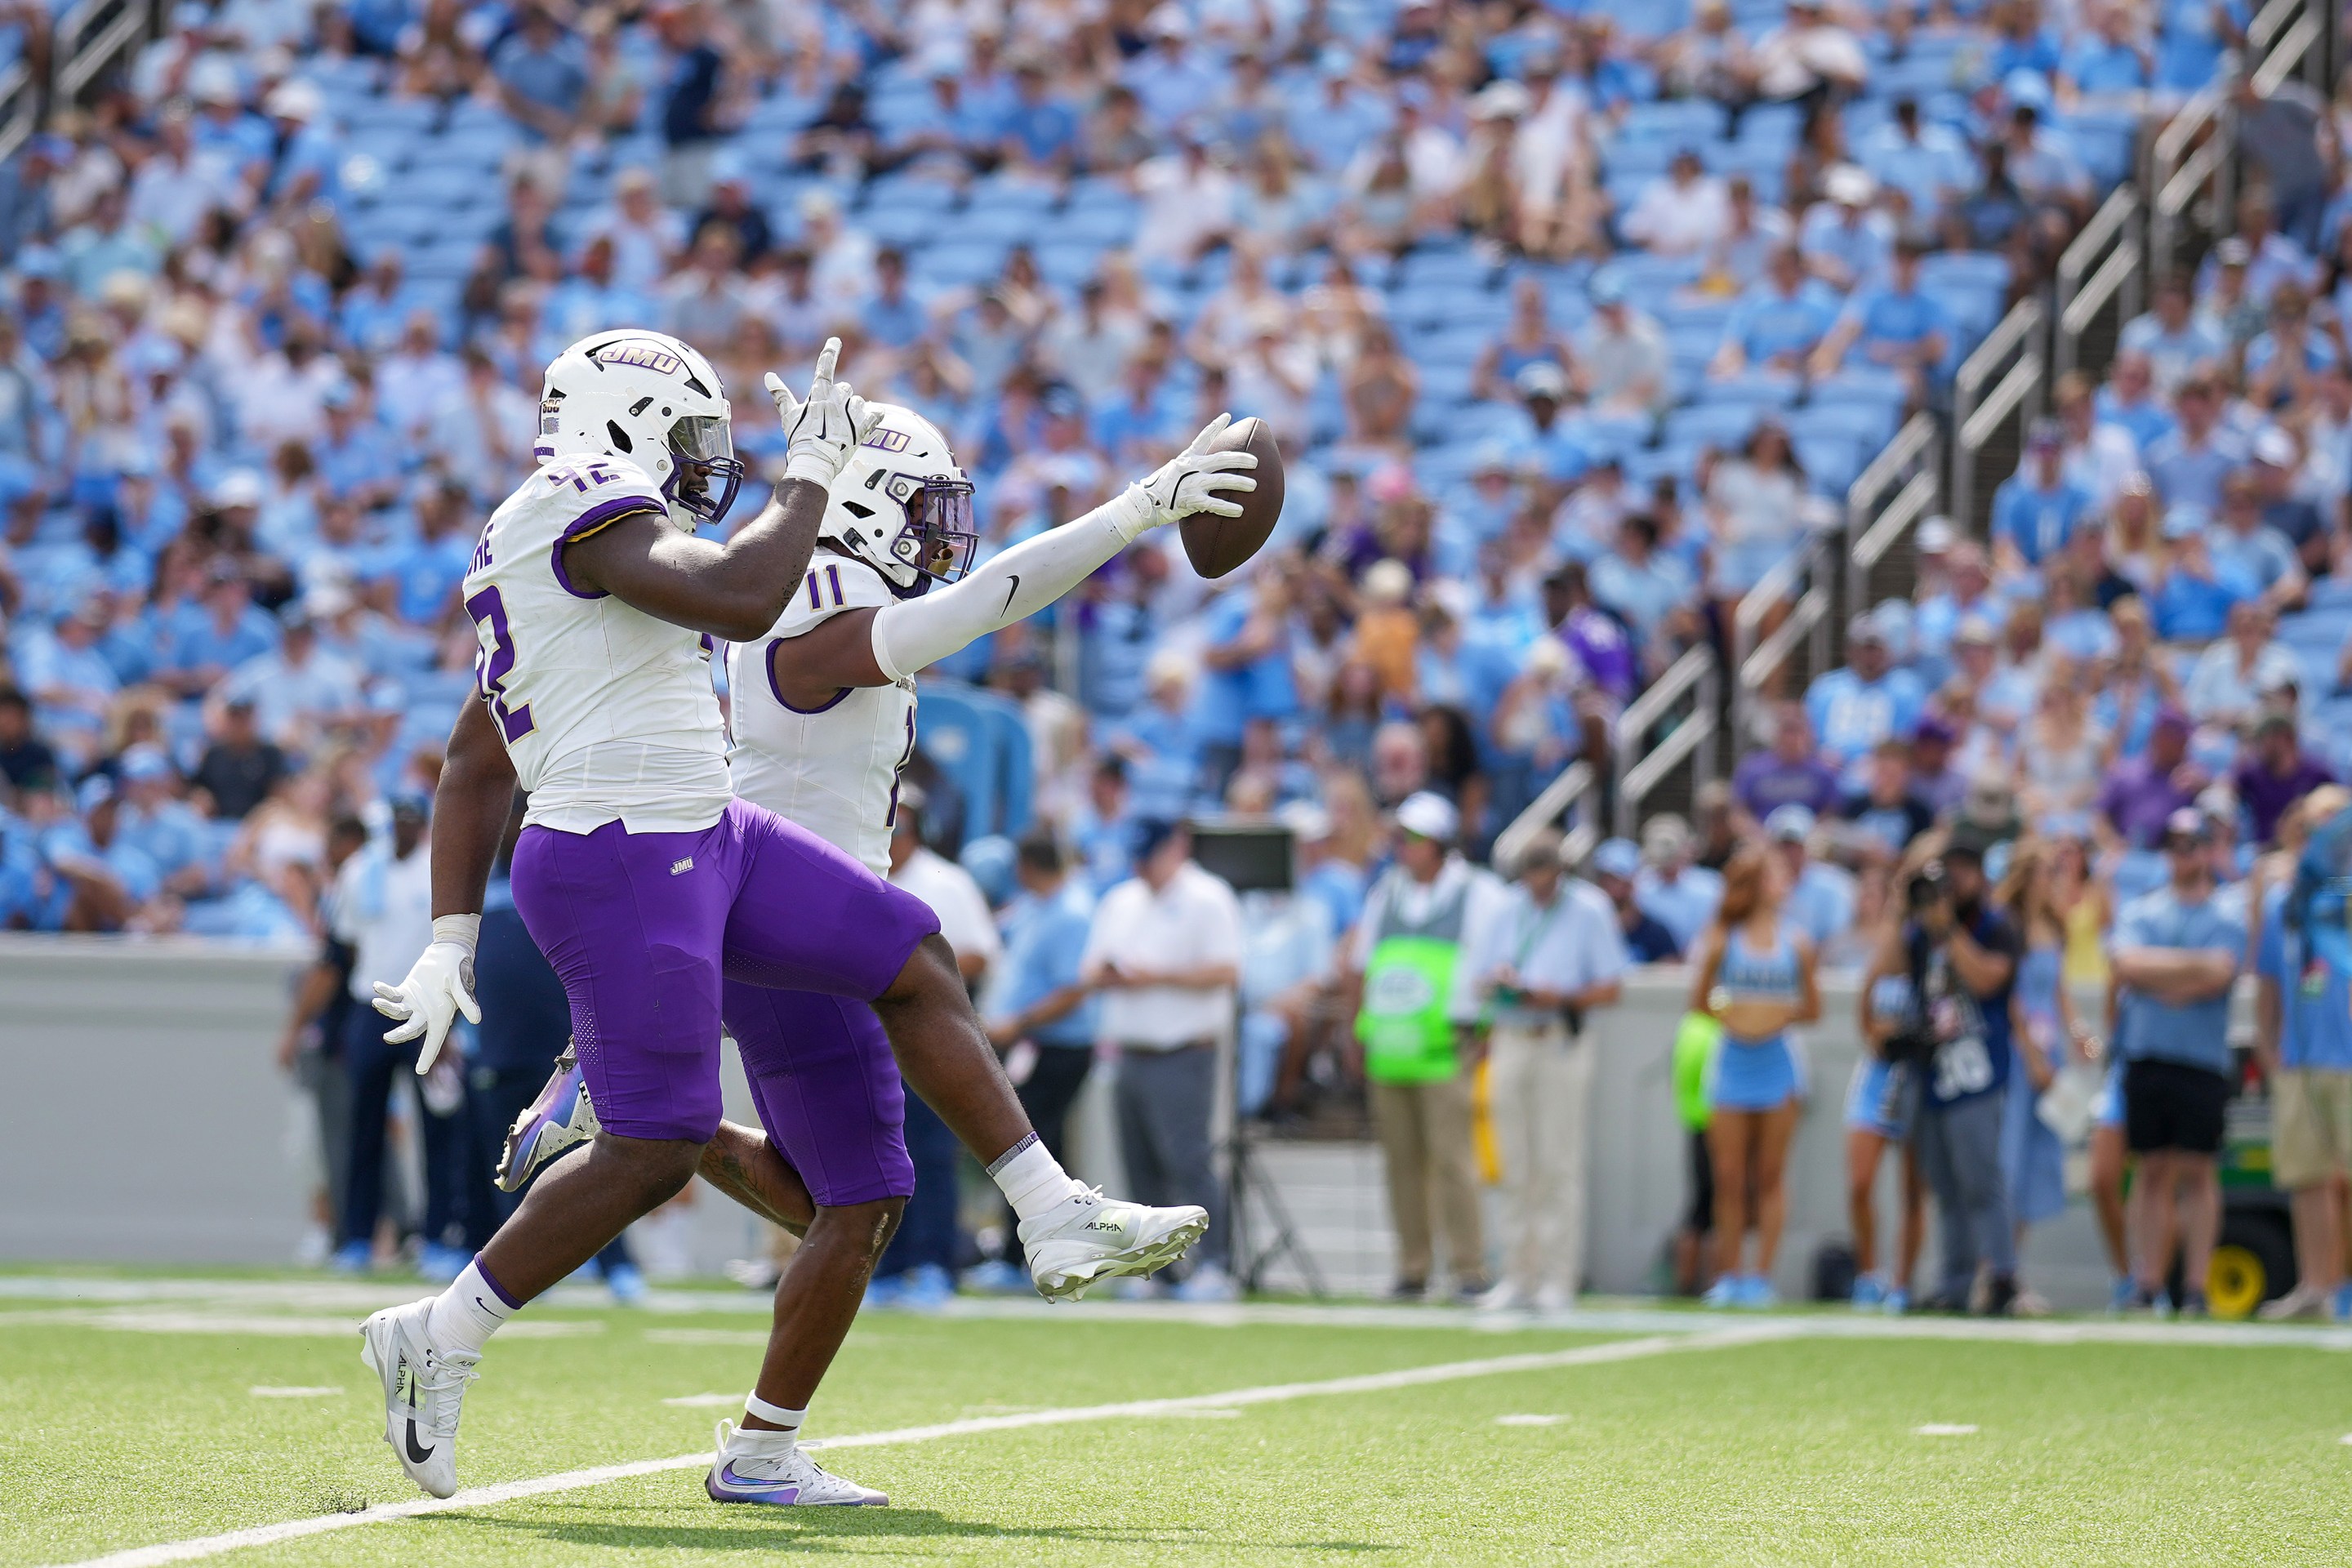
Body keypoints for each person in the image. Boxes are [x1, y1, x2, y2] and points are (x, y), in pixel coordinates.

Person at [359, 336, 1220, 1508]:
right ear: (625, 420)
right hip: (622, 846)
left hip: (700, 829)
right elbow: (748, 593)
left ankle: (1049, 1211)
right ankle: (442, 1331)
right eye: (694, 438)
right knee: (656, 1148)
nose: (712, 467)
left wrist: (451, 934)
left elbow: (471, 756)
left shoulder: (605, 552)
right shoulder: (581, 506)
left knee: (911, 954)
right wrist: (810, 476)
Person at [468, 798, 644, 1304]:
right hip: (499, 1059)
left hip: (568, 1061)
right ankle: (517, 1275)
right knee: (510, 1171)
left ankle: (618, 1268)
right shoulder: (480, 900)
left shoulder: (572, 894)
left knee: (595, 1166)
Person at [1451, 827, 1628, 1312]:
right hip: (1512, 1036)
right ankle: (1515, 1274)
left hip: (1559, 1039)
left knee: (1557, 1162)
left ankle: (1557, 1277)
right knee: (1514, 1162)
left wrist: (1558, 995)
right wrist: (1502, 983)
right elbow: (1479, 978)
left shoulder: (1589, 909)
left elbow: (1612, 987)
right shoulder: (1507, 909)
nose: (1537, 881)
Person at [1348, 791, 1505, 1301]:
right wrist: (1358, 1029)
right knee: (1402, 1162)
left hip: (1446, 1044)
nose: (1402, 846)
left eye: (1412, 838)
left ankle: (1468, 1266)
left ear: (1439, 843)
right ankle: (1412, 1266)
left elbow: (1494, 969)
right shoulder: (1386, 891)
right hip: (1392, 1046)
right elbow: (1361, 966)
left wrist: (1486, 1034)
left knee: (1454, 1159)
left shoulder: (1479, 893)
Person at [1080, 817, 1246, 1301]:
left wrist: (1155, 976)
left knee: (1188, 1161)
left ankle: (1214, 1263)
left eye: (1149, 856)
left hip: (1184, 1049)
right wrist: (1115, 974)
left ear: (1177, 848)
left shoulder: (1208, 897)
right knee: (1139, 1166)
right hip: (1130, 1050)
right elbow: (1089, 969)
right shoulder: (1121, 900)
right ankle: (1154, 1269)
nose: (1142, 867)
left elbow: (1226, 969)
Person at [2110, 809, 2247, 1316]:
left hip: (2201, 1059)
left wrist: (2160, 972)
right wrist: (2189, 971)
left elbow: (2221, 973)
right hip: (2148, 1053)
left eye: (2193, 844)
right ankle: (2146, 1283)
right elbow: (2126, 965)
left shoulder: (2227, 912)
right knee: (2150, 1170)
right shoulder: (2144, 908)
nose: (2182, 853)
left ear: (2210, 850)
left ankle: (2195, 1287)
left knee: (2197, 1170)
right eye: (2175, 844)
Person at [870, 791, 1002, 1308]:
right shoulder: (862, 871)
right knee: (879, 1156)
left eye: (900, 828)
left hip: (926, 1037)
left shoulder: (946, 880)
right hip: (870, 1038)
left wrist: (908, 977)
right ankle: (889, 1265)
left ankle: (935, 1264)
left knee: (930, 1154)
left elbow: (979, 954)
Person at [332, 794, 469, 1277]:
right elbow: (345, 942)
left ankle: (437, 1236)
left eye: (412, 821)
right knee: (363, 1129)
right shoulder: (359, 871)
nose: (405, 828)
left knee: (438, 1129)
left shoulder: (437, 869)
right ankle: (356, 1239)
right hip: (371, 1007)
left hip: (426, 1009)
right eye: (399, 821)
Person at [1891, 840, 2022, 1315]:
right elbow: (1890, 967)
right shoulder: (1920, 931)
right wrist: (1902, 905)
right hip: (1930, 1073)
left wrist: (1949, 933)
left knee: (1980, 1180)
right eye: (1950, 872)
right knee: (1945, 1187)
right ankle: (1955, 1284)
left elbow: (1989, 979)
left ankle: (2004, 1277)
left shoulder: (1996, 926)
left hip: (1976, 1072)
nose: (1956, 882)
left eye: (1965, 871)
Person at [1690, 843, 1820, 1308]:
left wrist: (1769, 1018)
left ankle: (1761, 1276)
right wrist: (1739, 1018)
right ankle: (1730, 1273)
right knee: (1728, 1175)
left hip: (1778, 1065)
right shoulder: (1723, 938)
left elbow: (1813, 1007)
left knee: (1769, 1174)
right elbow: (1701, 1001)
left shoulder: (1797, 942)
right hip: (1731, 1062)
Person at [978, 830, 1098, 1285]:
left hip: (1057, 1047)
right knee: (1031, 1147)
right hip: (1032, 1046)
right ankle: (1027, 1253)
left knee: (1030, 1151)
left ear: (1027, 867)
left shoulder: (1072, 914)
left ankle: (1027, 1256)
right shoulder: (1035, 908)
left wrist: (1020, 1022)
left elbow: (1074, 990)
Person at [2256, 788, 2352, 1319]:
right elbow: (2268, 979)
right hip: (2299, 1060)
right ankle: (2317, 1287)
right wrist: (2271, 1049)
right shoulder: (2283, 903)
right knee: (2308, 1177)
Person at [1998, 839, 2078, 1316]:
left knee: (2033, 1167)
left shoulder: (2054, 926)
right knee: (2006, 1166)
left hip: (2049, 1061)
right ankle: (1999, 1272)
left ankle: (2013, 1271)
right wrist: (2030, 1054)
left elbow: (2061, 993)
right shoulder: (2007, 926)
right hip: (2018, 1058)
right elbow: (2012, 1000)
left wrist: (2082, 1040)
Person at [1849, 907, 1924, 1311]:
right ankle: (1868, 1274)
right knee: (1860, 1182)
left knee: (1913, 1190)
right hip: (1877, 1077)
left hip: (1915, 1077)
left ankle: (1902, 1281)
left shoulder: (1933, 955)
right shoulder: (1882, 958)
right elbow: (1866, 1019)